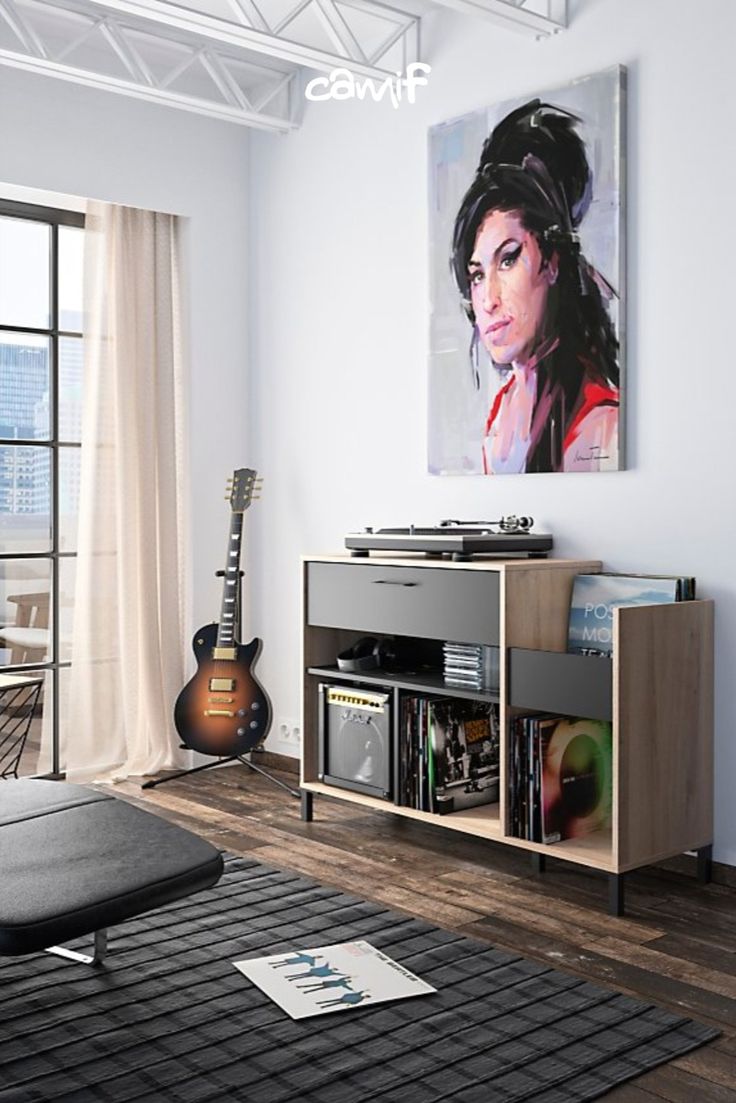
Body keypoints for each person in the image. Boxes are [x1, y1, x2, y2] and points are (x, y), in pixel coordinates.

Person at [451, 100, 620, 474]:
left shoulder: (602, 426)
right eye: (477, 275)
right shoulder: (499, 417)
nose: (488, 300)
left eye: (508, 259)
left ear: (552, 262)